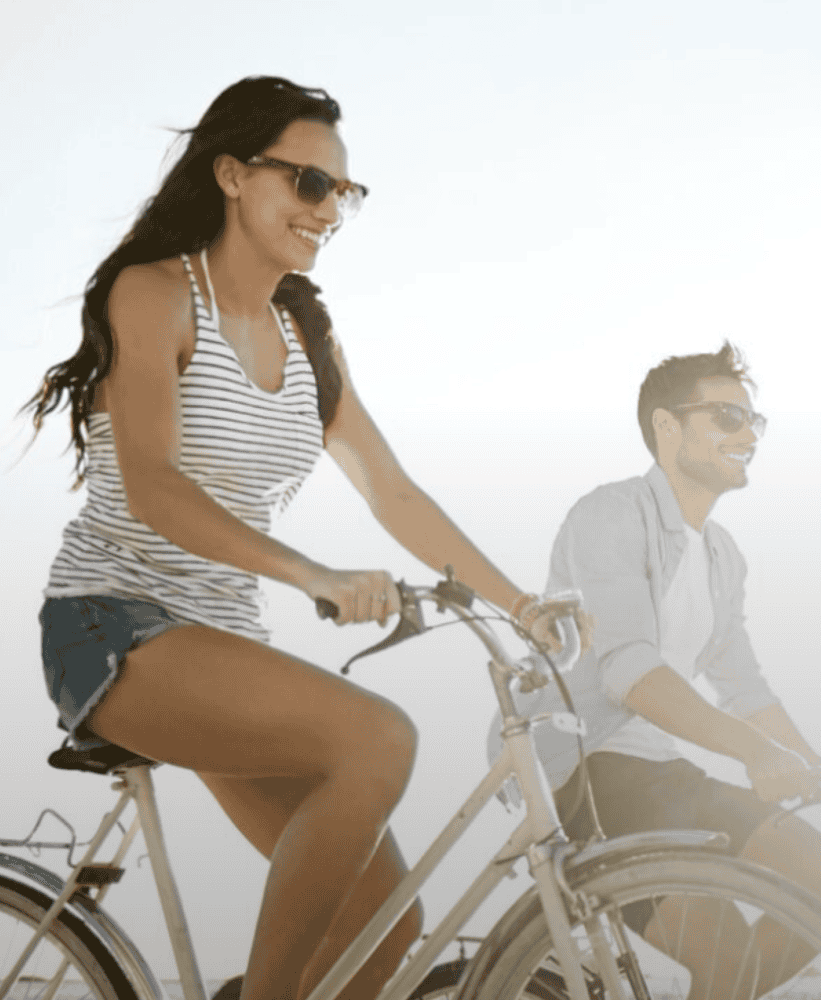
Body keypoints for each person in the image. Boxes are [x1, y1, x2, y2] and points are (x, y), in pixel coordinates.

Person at [21, 77, 580, 1000]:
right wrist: (311, 574)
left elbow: (391, 490)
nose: (329, 210)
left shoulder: (305, 331)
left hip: (220, 642)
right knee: (378, 740)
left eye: (343, 193)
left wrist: (520, 604)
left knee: (382, 934)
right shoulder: (154, 294)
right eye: (309, 184)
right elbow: (154, 486)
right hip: (112, 626)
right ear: (234, 175)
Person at [489, 342, 821, 997]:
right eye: (726, 417)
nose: (748, 434)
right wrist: (757, 752)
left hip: (661, 771)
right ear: (667, 427)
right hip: (588, 769)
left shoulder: (723, 556)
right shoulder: (609, 514)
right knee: (724, 955)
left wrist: (805, 766)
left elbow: (745, 688)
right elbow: (629, 672)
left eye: (755, 420)